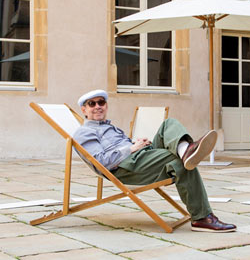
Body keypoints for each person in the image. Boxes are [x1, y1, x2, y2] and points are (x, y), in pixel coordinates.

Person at [73, 89, 236, 233]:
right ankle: (201, 217)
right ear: (84, 109)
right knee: (177, 161)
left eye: (101, 102)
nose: (97, 106)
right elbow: (102, 162)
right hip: (127, 167)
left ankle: (186, 150)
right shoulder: (84, 133)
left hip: (139, 157)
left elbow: (121, 145)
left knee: (168, 124)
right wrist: (131, 148)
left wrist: (136, 143)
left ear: (106, 105)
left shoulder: (109, 126)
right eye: (92, 104)